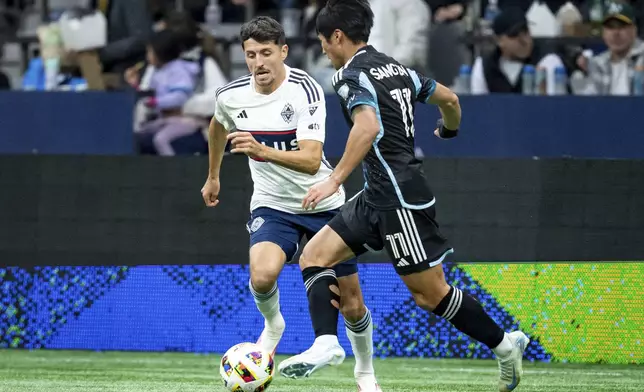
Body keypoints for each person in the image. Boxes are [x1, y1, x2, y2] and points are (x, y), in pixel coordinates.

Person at [284, 1, 529, 392]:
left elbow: (366, 128)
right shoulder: (396, 68)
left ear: (337, 37)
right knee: (314, 255)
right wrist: (449, 131)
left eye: (324, 43)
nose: (324, 52)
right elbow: (450, 100)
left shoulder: (349, 77)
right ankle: (327, 343)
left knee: (430, 296)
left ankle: (504, 346)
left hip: (400, 198)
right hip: (377, 194)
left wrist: (333, 181)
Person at [200, 16, 381, 392]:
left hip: (322, 201)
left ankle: (365, 372)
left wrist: (260, 150)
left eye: (266, 53)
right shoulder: (230, 95)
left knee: (352, 306)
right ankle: (273, 325)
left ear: (283, 51)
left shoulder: (306, 90)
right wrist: (214, 174)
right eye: (251, 55)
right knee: (262, 275)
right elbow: (218, 125)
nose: (259, 63)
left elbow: (312, 159)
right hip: (272, 204)